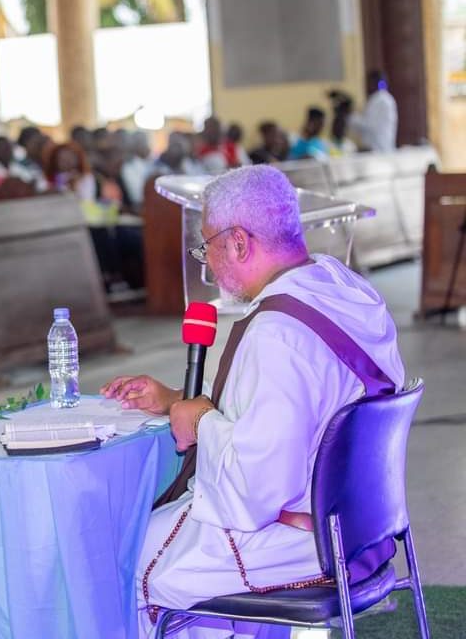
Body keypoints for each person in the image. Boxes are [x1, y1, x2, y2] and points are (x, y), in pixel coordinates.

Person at [101, 165, 405, 638]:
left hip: (304, 539)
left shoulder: (277, 333)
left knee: (128, 564)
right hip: (364, 527)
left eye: (208, 246)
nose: (208, 264)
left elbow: (258, 486)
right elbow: (301, 415)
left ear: (239, 242)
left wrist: (201, 423)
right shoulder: (341, 288)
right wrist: (177, 400)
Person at [348, 69, 398, 153]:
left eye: (369, 82)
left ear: (376, 82)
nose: (366, 85)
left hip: (379, 148)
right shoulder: (376, 99)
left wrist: (350, 116)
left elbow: (369, 125)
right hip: (375, 148)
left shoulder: (381, 100)